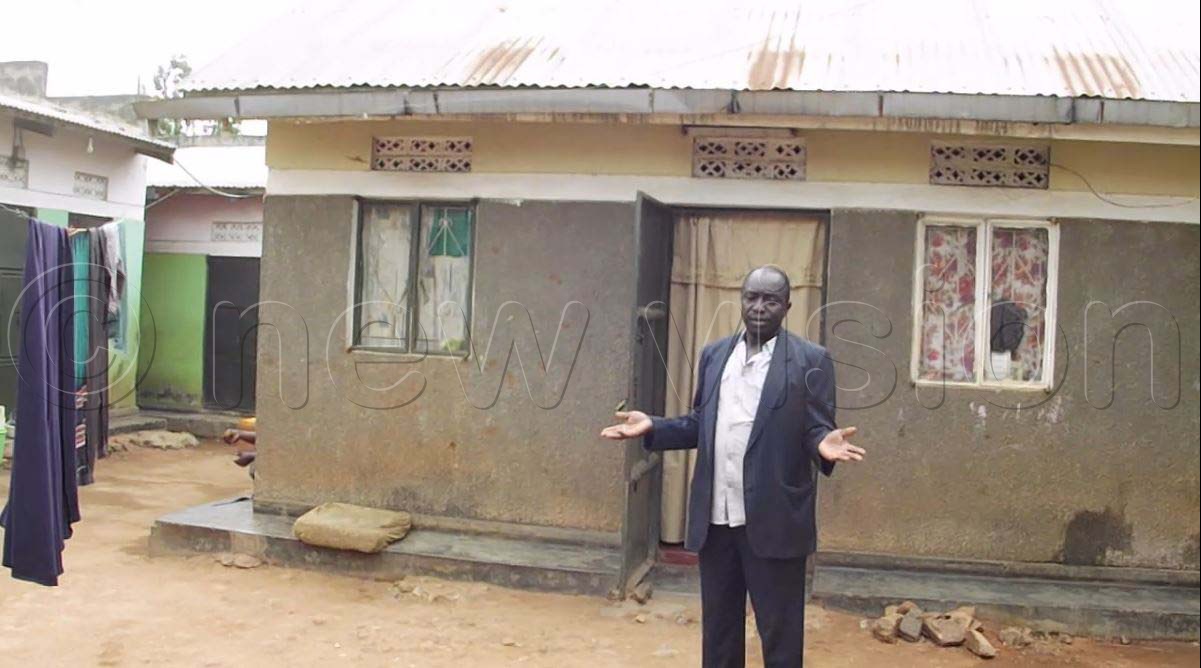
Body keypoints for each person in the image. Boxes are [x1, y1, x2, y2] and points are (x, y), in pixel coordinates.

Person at [601, 265, 865, 668]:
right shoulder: (715, 355)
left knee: (779, 632)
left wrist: (821, 442)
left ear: (787, 306)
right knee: (720, 632)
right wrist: (655, 425)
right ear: (741, 300)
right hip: (717, 519)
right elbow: (699, 424)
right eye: (751, 297)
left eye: (770, 300)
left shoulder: (811, 360)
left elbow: (816, 426)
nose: (759, 307)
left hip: (774, 519)